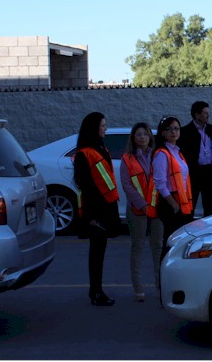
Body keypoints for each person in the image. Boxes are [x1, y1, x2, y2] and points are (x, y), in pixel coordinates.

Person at [73, 111, 119, 306]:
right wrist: (92, 217)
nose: (105, 128)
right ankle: (96, 292)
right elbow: (85, 187)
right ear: (94, 128)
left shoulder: (101, 149)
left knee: (100, 252)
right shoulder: (85, 154)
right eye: (102, 125)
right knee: (96, 253)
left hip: (106, 208)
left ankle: (97, 290)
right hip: (96, 212)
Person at [119, 122, 163, 303]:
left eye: (145, 134)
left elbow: (162, 180)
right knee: (138, 247)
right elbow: (127, 185)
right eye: (139, 134)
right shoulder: (127, 158)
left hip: (156, 209)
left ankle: (161, 287)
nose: (142, 137)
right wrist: (143, 204)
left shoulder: (158, 155)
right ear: (133, 138)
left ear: (150, 137)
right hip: (137, 210)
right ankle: (138, 288)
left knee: (158, 248)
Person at [153, 116, 193, 250]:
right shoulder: (162, 154)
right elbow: (160, 184)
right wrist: (174, 205)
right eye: (169, 129)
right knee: (170, 243)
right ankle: (163, 270)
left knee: (178, 243)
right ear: (162, 132)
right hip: (170, 203)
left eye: (176, 129)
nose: (173, 132)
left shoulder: (177, 152)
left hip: (180, 203)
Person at [178, 101, 212, 217]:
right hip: (194, 173)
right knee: (190, 206)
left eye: (208, 113)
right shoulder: (185, 131)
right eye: (205, 113)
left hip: (210, 172)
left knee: (211, 207)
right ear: (197, 115)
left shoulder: (211, 129)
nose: (208, 115)